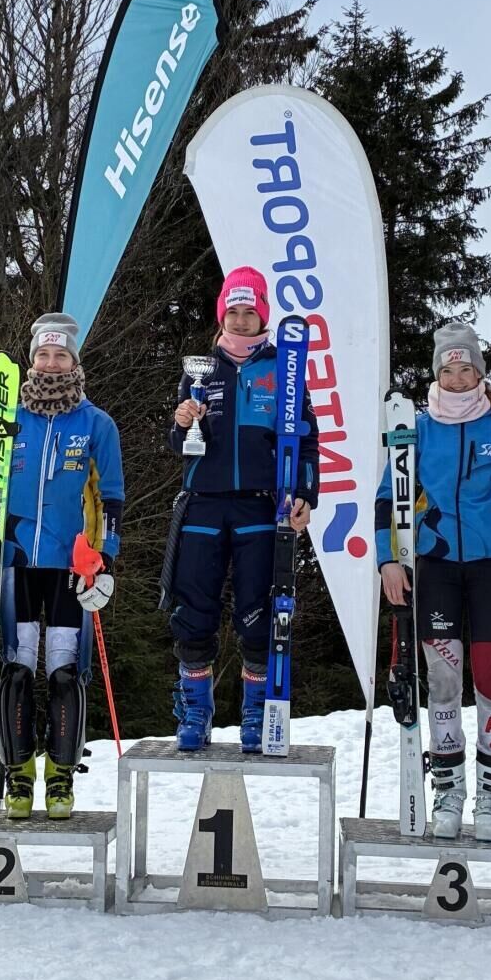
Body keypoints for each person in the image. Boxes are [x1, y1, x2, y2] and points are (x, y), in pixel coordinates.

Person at [374, 323, 491, 842]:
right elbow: (387, 497)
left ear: (479, 373)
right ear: (437, 375)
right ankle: (447, 789)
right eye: (449, 370)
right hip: (437, 565)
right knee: (444, 678)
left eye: (467, 368)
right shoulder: (418, 428)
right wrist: (388, 561)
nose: (458, 377)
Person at [0, 314, 124, 819]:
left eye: (61, 355)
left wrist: (106, 561)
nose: (51, 363)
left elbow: (112, 500)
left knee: (65, 670)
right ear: (32, 360)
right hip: (16, 561)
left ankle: (61, 776)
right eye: (44, 355)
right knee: (16, 666)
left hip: (72, 563)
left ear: (74, 361)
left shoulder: (96, 424)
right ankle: (19, 774)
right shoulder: (6, 420)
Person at [166, 267, 319, 753]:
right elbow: (181, 446)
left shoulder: (284, 368)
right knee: (193, 609)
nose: (240, 319)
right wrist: (182, 423)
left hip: (260, 505)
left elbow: (307, 440)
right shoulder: (200, 370)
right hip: (204, 504)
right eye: (233, 310)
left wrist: (305, 493)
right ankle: (196, 709)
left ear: (262, 316)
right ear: (222, 314)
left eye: (249, 311)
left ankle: (257, 710)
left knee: (258, 610)